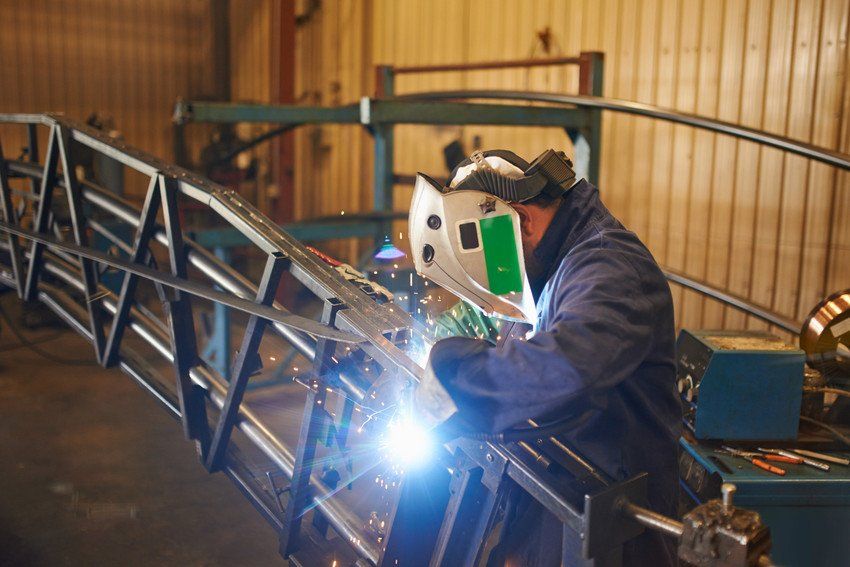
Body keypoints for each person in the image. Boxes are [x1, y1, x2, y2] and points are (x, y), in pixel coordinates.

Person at [408, 149, 682, 566]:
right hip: (566, 491)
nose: (499, 278)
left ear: (520, 218)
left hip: (617, 527)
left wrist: (456, 381)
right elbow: (513, 337)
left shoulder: (609, 267)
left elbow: (567, 364)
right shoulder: (550, 265)